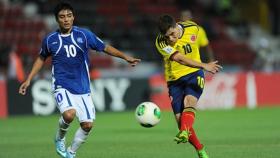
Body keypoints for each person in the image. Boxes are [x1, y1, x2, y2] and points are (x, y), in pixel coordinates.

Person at [18, 2, 140, 158]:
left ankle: (71, 152)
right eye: (62, 17)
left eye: (69, 16)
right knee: (69, 114)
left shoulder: (84, 35)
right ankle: (59, 138)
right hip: (62, 84)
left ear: (73, 17)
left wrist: (125, 57)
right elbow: (41, 58)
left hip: (82, 87)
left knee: (87, 125)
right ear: (57, 19)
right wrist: (28, 79)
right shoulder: (50, 40)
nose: (66, 19)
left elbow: (104, 47)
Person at [155, 15, 222, 158]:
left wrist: (204, 65)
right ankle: (200, 148)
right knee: (181, 122)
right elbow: (179, 58)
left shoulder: (193, 28)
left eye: (172, 34)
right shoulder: (160, 42)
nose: (171, 39)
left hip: (195, 74)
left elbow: (203, 45)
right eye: (168, 37)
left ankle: (186, 132)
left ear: (176, 25)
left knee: (189, 102)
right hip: (175, 81)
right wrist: (205, 65)